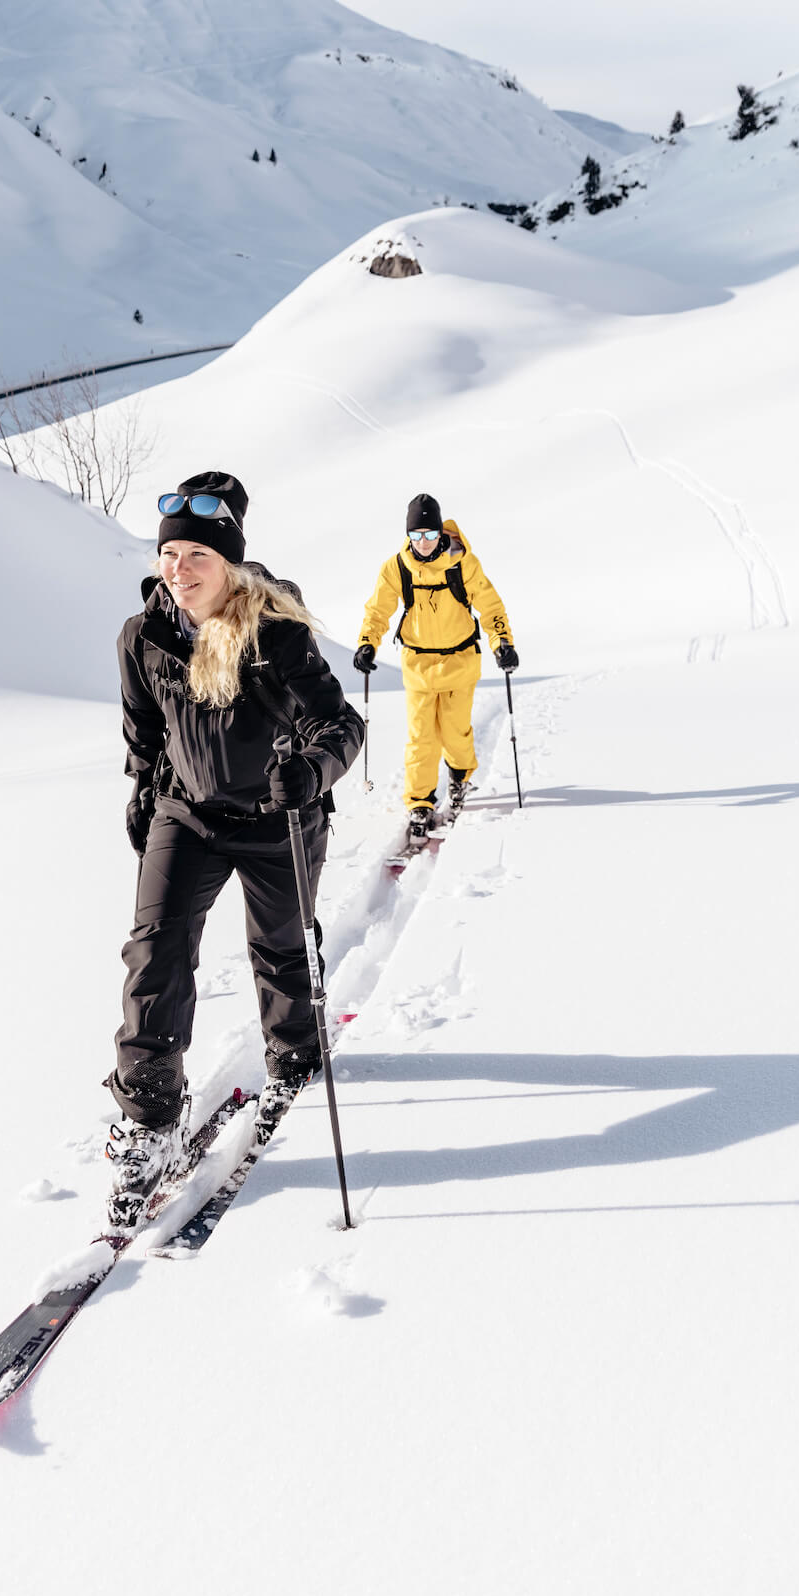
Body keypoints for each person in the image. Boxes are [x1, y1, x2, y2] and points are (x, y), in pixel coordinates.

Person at [106, 470, 363, 1225]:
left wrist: (310, 771)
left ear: (230, 563)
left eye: (198, 558)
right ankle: (151, 1120)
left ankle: (293, 1051)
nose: (179, 571)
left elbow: (341, 726)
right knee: (155, 950)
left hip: (277, 817)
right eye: (171, 554)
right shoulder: (143, 635)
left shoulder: (273, 631)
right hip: (187, 817)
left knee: (281, 950)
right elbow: (144, 735)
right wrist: (143, 794)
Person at [353, 492, 517, 839]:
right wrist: (368, 643)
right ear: (408, 536)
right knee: (421, 738)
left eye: (429, 534)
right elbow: (378, 610)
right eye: (416, 536)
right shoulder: (396, 567)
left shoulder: (463, 564)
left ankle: (459, 780)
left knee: (455, 732)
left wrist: (502, 644)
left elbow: (491, 608)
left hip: (460, 662)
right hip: (418, 665)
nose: (423, 543)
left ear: (440, 533)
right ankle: (419, 803)